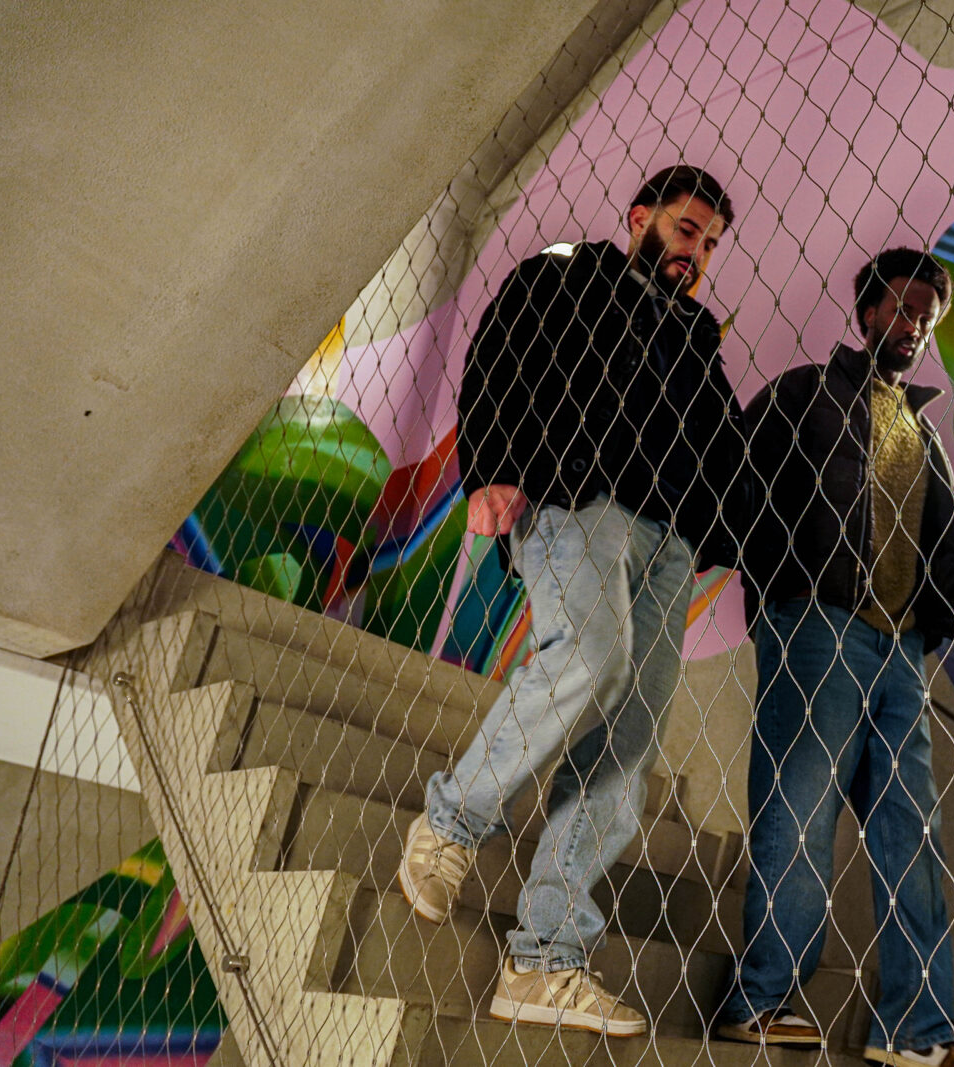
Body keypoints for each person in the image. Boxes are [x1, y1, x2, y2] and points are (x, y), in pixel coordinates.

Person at [400, 166, 750, 1037]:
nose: (695, 253)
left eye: (708, 243)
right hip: (577, 499)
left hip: (670, 542)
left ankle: (543, 958)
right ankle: (451, 823)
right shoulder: (564, 275)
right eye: (684, 230)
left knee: (628, 740)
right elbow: (498, 355)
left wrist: (725, 536)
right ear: (640, 218)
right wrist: (490, 465)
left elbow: (730, 446)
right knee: (588, 658)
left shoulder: (698, 339)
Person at [718, 249, 954, 1067]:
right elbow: (733, 478)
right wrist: (781, 584)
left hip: (900, 647)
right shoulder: (805, 393)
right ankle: (759, 998)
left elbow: (941, 542)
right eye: (904, 309)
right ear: (867, 309)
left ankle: (917, 1031)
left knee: (914, 832)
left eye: (928, 319)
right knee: (801, 805)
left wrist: (932, 624)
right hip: (818, 621)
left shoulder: (927, 434)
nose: (915, 327)